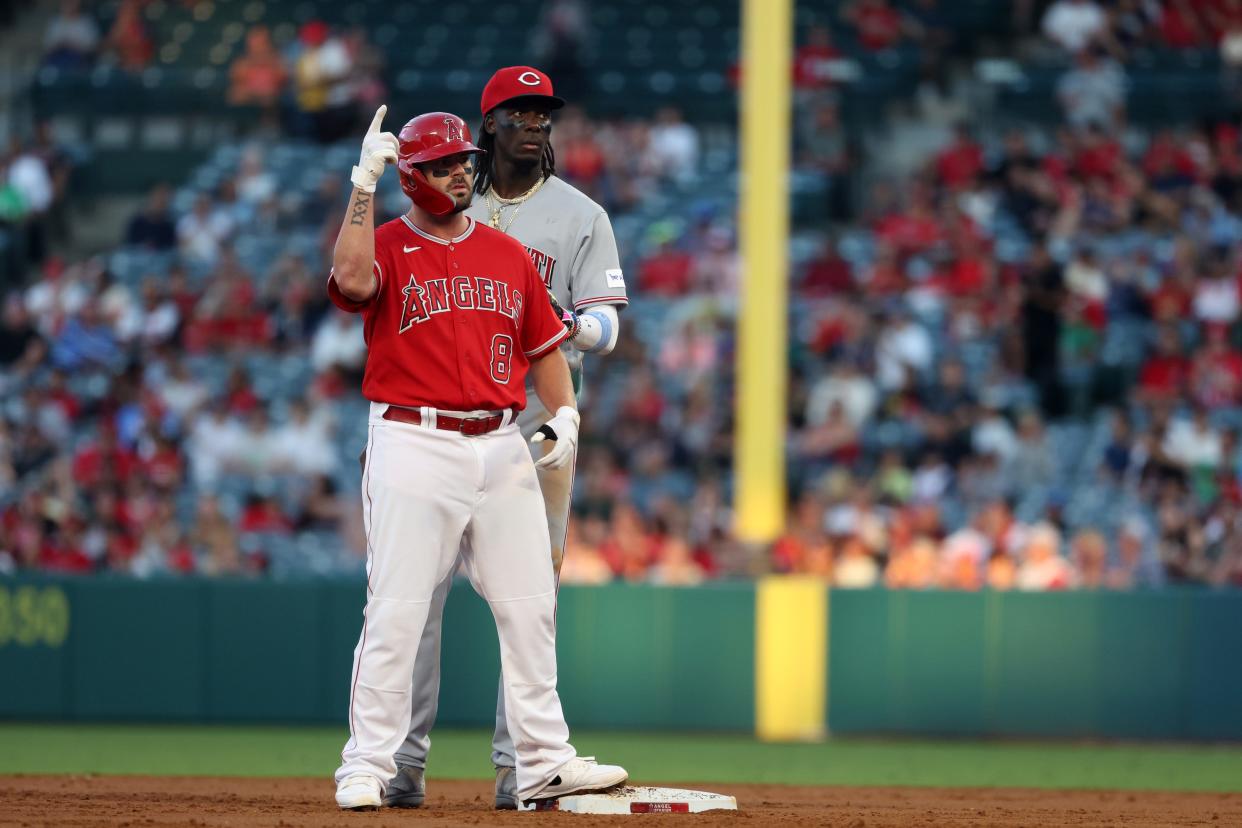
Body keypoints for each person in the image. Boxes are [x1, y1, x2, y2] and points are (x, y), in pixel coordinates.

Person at [329, 105, 627, 810]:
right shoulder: (390, 243)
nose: (460, 170)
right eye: (442, 163)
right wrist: (362, 186)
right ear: (411, 176)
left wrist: (565, 419)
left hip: (500, 444)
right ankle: (367, 763)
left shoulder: (505, 253)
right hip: (413, 438)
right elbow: (350, 282)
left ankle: (543, 761)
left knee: (530, 609)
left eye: (463, 159)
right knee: (398, 610)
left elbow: (543, 349)